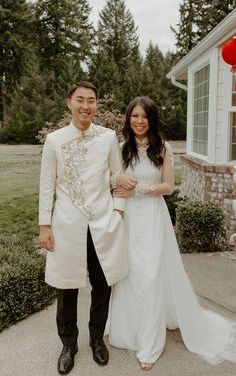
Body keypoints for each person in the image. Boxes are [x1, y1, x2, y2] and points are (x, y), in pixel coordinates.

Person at [108, 96, 236, 371]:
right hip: (128, 219)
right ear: (128, 119)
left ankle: (150, 343)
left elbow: (168, 187)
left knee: (152, 273)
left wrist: (138, 189)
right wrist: (117, 183)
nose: (139, 122)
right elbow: (110, 179)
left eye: (145, 117)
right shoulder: (121, 149)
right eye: (134, 116)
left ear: (152, 120)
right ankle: (127, 329)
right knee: (130, 272)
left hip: (153, 217)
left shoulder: (162, 148)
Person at [39, 81, 129, 375]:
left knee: (102, 284)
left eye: (92, 100)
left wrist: (118, 212)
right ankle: (68, 344)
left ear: (97, 104)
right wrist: (44, 225)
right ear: (69, 103)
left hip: (103, 222)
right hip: (66, 224)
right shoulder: (54, 140)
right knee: (66, 288)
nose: (86, 106)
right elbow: (46, 186)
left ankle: (96, 338)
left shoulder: (107, 137)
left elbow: (118, 176)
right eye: (80, 100)